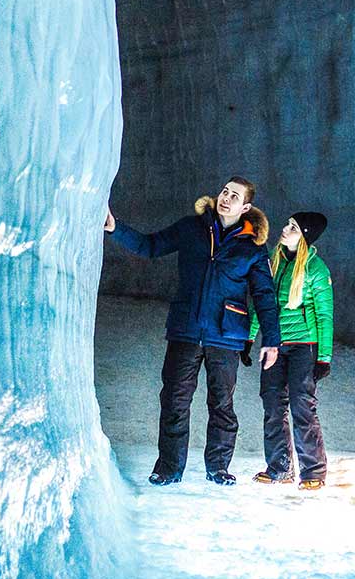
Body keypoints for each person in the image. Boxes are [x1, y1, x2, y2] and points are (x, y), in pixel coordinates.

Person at [104, 178, 281, 486]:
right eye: (225, 191)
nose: (226, 198)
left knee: (222, 404)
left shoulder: (253, 247)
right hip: (186, 329)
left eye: (234, 196)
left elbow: (264, 294)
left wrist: (272, 340)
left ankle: (219, 467)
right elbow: (150, 246)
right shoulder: (191, 228)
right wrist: (114, 227)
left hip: (226, 335)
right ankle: (169, 468)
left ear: (246, 207)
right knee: (174, 399)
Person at [248, 211, 333, 490]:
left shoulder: (316, 270)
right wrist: (251, 338)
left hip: (303, 347)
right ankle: (279, 467)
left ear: (305, 237)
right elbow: (263, 303)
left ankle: (313, 472)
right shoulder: (275, 260)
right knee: (272, 404)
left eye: (293, 228)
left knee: (301, 407)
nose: (285, 229)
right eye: (288, 224)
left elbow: (324, 315)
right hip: (275, 344)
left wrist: (324, 357)